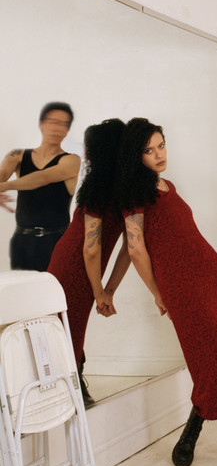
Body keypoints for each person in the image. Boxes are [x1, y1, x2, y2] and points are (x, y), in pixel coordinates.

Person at [116, 117, 217, 466]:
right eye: (149, 150)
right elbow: (136, 249)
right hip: (182, 286)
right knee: (211, 359)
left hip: (213, 276)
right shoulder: (134, 194)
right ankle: (193, 436)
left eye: (161, 145)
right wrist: (159, 293)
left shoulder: (166, 184)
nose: (159, 154)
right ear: (135, 156)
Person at [47, 118, 130, 405]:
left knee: (68, 324)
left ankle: (70, 387)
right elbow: (112, 248)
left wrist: (105, 291)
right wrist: (102, 291)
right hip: (73, 264)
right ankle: (69, 390)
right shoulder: (113, 188)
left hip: (77, 262)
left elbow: (122, 248)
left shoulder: (107, 186)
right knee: (68, 324)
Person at [0, 102, 80, 270]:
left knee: (55, 286)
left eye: (64, 124)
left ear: (67, 129)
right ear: (41, 124)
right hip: (22, 241)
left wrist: (4, 186)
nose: (58, 128)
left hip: (57, 240)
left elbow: (42, 178)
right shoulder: (17, 155)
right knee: (23, 285)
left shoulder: (71, 160)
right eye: (53, 122)